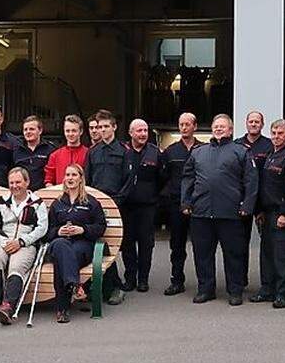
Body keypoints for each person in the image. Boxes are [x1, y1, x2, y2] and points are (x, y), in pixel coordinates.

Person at [181, 113, 257, 305]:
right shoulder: (198, 152)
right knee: (202, 254)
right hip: (201, 213)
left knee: (234, 255)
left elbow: (251, 181)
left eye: (223, 126)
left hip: (230, 213)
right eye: (216, 126)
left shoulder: (241, 151)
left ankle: (235, 291)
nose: (218, 129)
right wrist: (186, 202)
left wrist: (247, 206)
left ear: (230, 130)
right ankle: (206, 289)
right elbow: (188, 178)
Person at [45, 163, 107, 323]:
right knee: (60, 246)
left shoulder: (91, 202)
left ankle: (62, 309)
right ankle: (75, 285)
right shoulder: (57, 203)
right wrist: (58, 231)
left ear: (81, 179)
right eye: (67, 175)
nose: (70, 178)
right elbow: (47, 231)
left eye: (74, 175)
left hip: (82, 244)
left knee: (62, 260)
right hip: (59, 242)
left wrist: (83, 230)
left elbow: (101, 227)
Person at [0, 167, 48, 325]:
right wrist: (5, 242)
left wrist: (21, 241)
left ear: (27, 182)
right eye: (11, 182)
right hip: (4, 240)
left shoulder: (37, 203)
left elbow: (42, 228)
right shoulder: (1, 201)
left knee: (16, 266)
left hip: (26, 243)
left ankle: (8, 307)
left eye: (18, 182)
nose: (15, 186)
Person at [251, 119, 285, 308]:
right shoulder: (271, 155)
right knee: (267, 254)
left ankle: (282, 293)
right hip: (267, 213)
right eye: (274, 133)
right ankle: (267, 289)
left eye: (280, 133)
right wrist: (260, 210)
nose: (276, 136)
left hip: (281, 214)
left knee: (282, 256)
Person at [84, 109, 131, 304]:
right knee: (97, 246)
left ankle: (116, 288)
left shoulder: (124, 151)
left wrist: (116, 202)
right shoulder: (93, 152)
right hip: (96, 207)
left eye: (106, 126)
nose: (102, 130)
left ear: (114, 127)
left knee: (112, 247)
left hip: (117, 205)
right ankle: (98, 286)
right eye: (99, 127)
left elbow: (129, 181)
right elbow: (86, 180)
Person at [160, 112, 202, 295]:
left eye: (187, 124)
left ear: (195, 126)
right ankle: (177, 281)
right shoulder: (170, 151)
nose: (184, 128)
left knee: (202, 246)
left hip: (199, 204)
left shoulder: (204, 149)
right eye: (181, 124)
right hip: (176, 204)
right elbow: (163, 177)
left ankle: (204, 284)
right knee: (177, 246)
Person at [122, 118, 162, 292]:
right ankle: (130, 278)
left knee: (146, 244)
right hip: (126, 205)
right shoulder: (123, 152)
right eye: (139, 131)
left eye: (145, 130)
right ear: (131, 133)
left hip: (147, 206)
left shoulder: (155, 153)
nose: (143, 134)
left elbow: (162, 177)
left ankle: (143, 279)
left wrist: (155, 197)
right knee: (127, 243)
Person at [234, 110, 271, 286]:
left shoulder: (269, 146)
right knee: (240, 244)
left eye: (257, 122)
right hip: (244, 201)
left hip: (263, 202)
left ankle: (268, 285)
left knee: (267, 246)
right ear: (246, 123)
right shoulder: (237, 145)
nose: (254, 124)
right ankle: (240, 280)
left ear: (262, 125)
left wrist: (262, 207)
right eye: (251, 121)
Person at [44, 114, 88, 186]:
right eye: (67, 131)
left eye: (74, 131)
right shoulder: (55, 155)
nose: (70, 134)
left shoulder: (88, 153)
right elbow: (49, 181)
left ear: (81, 131)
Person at [13, 114, 54, 190]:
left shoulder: (50, 149)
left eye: (31, 129)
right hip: (21, 193)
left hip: (43, 193)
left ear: (40, 130)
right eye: (25, 129)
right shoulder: (15, 150)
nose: (28, 132)